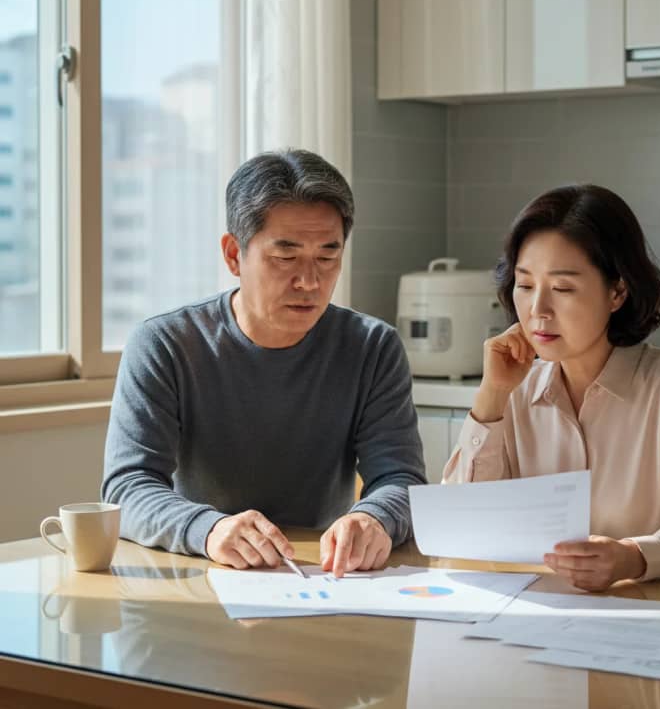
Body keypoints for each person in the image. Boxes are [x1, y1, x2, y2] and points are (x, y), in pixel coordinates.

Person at [103, 149, 427, 577]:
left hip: (320, 575)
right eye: (285, 256)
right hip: (197, 575)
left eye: (327, 257)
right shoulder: (166, 344)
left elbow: (401, 478)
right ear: (234, 254)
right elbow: (126, 488)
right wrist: (209, 528)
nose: (310, 281)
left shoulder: (372, 346)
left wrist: (373, 518)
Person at [443, 184, 660, 590]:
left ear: (617, 291)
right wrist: (491, 398)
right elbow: (462, 527)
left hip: (653, 625)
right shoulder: (512, 390)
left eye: (563, 288)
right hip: (532, 619)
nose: (538, 311)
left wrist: (635, 557)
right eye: (525, 285)